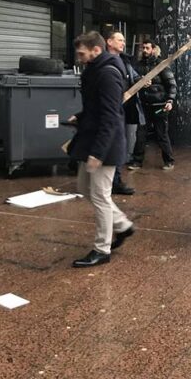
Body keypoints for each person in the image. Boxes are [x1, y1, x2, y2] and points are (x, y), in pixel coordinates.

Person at [68, 31, 135, 267]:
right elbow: (98, 108)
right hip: (94, 140)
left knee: (99, 195)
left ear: (96, 50)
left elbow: (111, 117)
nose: (78, 57)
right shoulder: (95, 69)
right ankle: (123, 226)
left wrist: (98, 153)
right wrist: (81, 116)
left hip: (104, 145)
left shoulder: (106, 74)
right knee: (84, 188)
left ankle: (101, 249)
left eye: (82, 53)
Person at [105, 30, 144, 196]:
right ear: (109, 42)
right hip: (110, 109)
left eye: (123, 40)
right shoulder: (104, 61)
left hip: (125, 109)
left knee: (121, 145)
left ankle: (116, 180)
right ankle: (110, 182)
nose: (123, 43)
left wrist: (142, 80)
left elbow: (134, 77)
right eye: (119, 40)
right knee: (110, 145)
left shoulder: (125, 61)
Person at [130, 39, 177, 170]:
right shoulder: (138, 66)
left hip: (160, 105)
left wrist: (170, 101)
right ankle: (137, 162)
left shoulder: (161, 65)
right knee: (141, 134)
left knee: (161, 134)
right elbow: (133, 79)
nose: (145, 50)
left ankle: (169, 161)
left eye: (147, 48)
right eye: (143, 48)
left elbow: (171, 84)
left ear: (153, 49)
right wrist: (139, 80)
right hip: (144, 105)